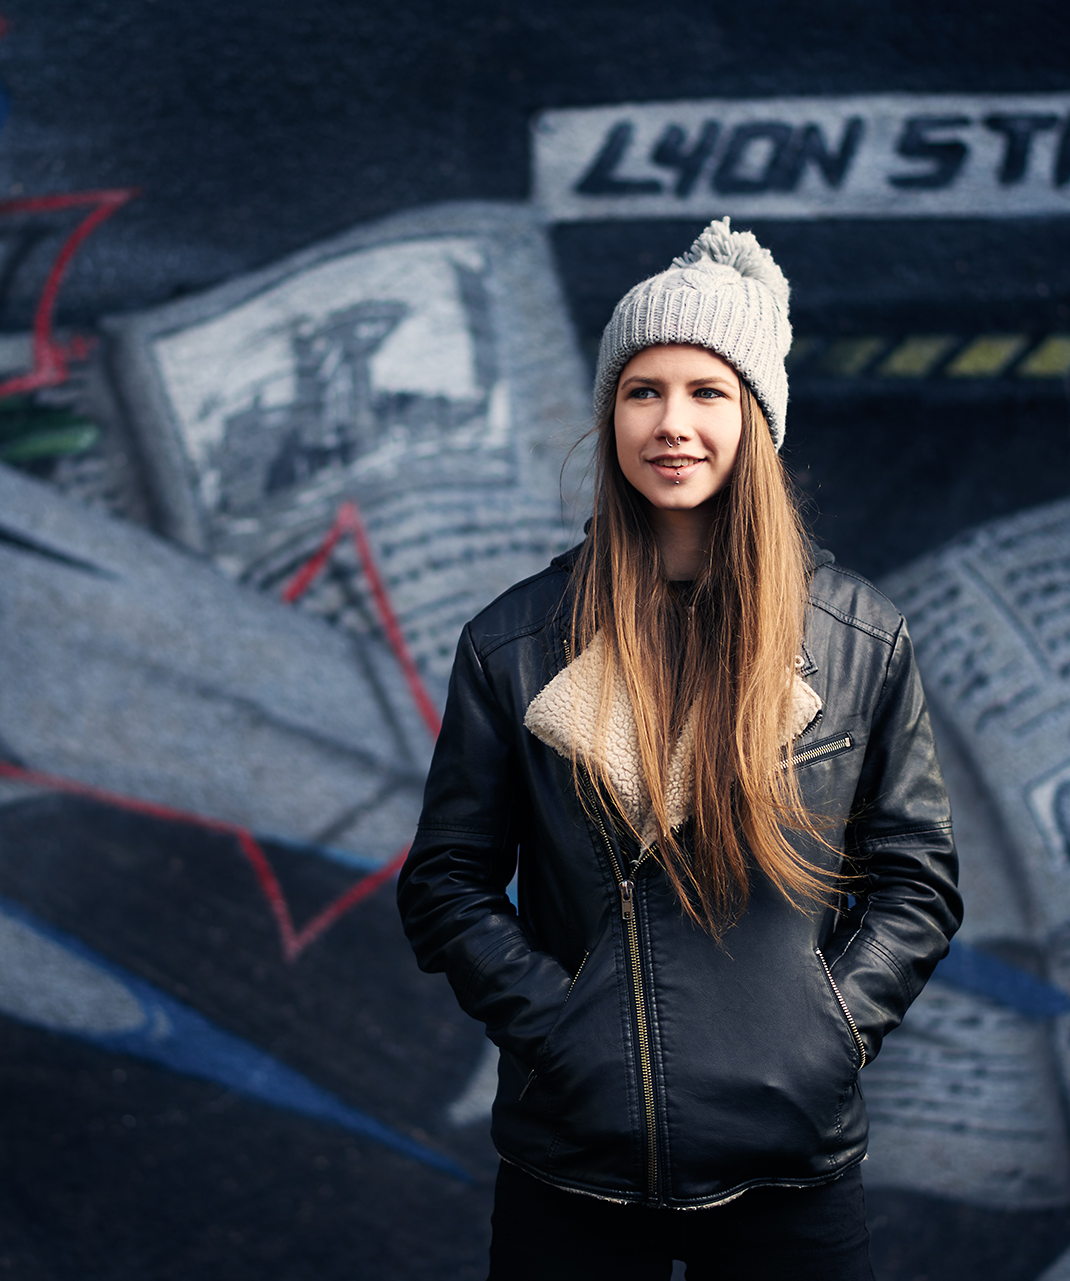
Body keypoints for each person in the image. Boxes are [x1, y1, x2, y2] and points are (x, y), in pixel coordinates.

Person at [398, 218, 960, 1280]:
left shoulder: (856, 638)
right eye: (642, 390)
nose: (672, 423)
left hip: (793, 1170)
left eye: (708, 393)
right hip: (572, 1170)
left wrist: (829, 1030)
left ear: (757, 417)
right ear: (611, 412)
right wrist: (561, 1032)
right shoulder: (515, 642)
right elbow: (446, 882)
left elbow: (916, 881)